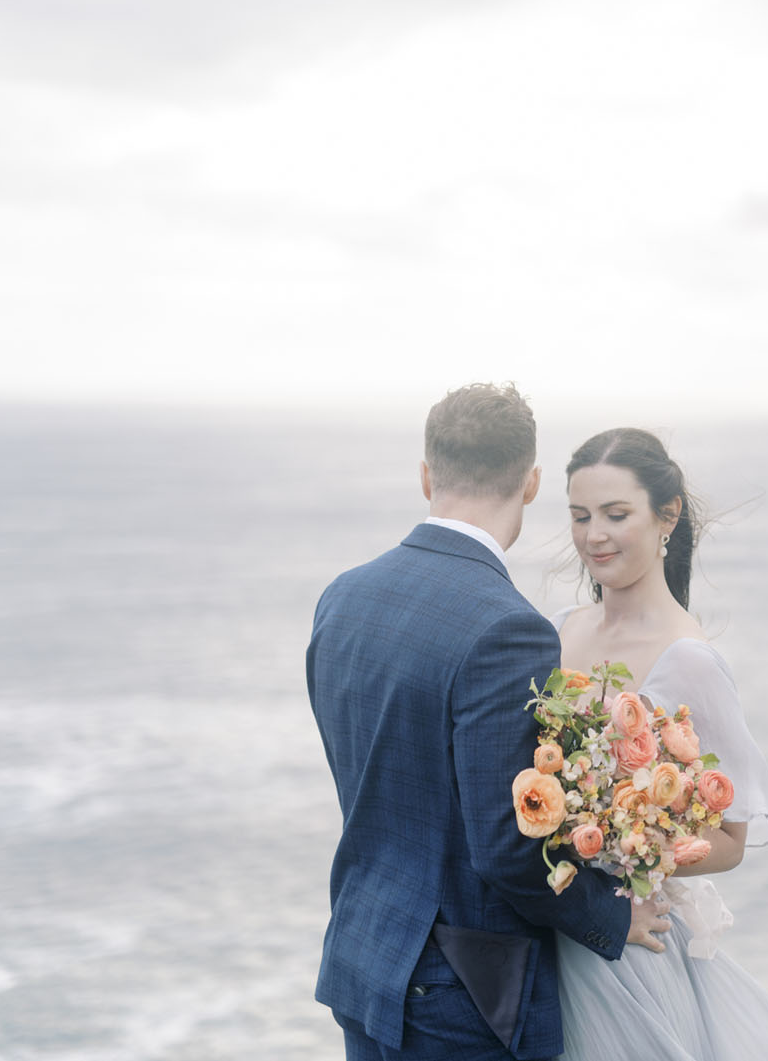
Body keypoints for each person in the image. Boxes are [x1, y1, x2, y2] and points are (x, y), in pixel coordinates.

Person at [306, 385, 671, 1061]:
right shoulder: (508, 629)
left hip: (364, 960)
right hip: (465, 996)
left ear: (427, 475)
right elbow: (506, 847)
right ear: (530, 483)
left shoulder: (343, 598)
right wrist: (612, 914)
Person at [550, 426, 768, 1061]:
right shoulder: (559, 631)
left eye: (615, 515)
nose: (594, 535)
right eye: (580, 516)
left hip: (630, 951)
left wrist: (619, 847)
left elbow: (730, 841)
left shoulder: (689, 660)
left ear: (667, 516)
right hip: (549, 935)